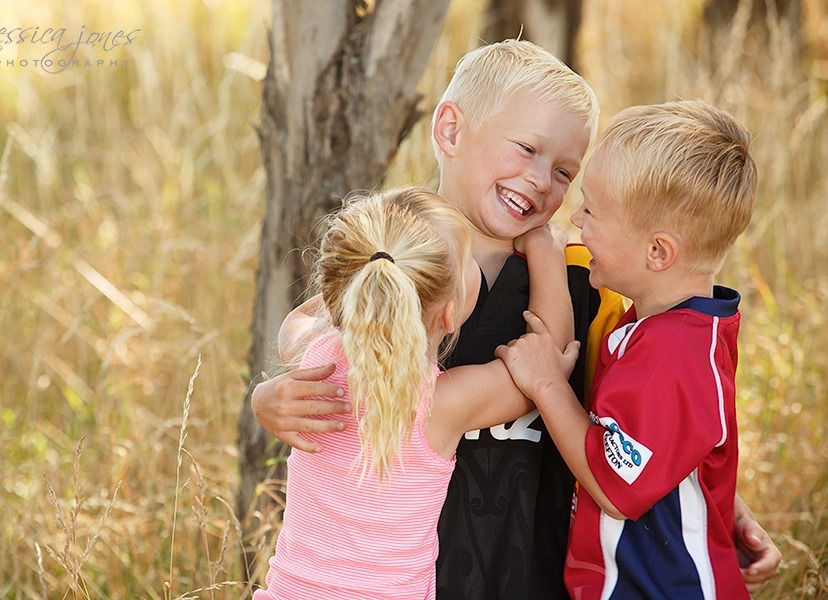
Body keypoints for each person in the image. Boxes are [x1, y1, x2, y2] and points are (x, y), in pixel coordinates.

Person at [249, 40, 781, 598]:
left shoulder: (588, 283)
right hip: (415, 572)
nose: (540, 180)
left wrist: (722, 502)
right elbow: (315, 324)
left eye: (564, 172)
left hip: (536, 561)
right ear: (451, 131)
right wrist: (271, 397)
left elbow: (642, 421)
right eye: (526, 148)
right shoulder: (395, 259)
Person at [496, 100, 761, 598]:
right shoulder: (664, 325)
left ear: (657, 252)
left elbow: (616, 488)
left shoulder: (673, 355)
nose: (575, 217)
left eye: (592, 210)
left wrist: (548, 383)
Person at [253, 186, 572, 599]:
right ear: (450, 312)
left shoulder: (314, 359)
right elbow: (548, 358)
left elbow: (297, 322)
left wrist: (363, 270)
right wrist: (544, 248)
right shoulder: (441, 404)